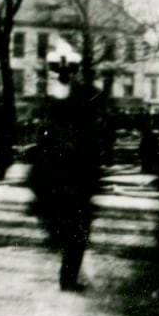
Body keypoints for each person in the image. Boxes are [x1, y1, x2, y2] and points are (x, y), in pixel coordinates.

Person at [28, 75, 101, 291]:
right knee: (75, 240)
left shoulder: (68, 130)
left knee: (74, 240)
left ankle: (67, 277)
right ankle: (67, 280)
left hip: (69, 194)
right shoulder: (74, 133)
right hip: (69, 195)